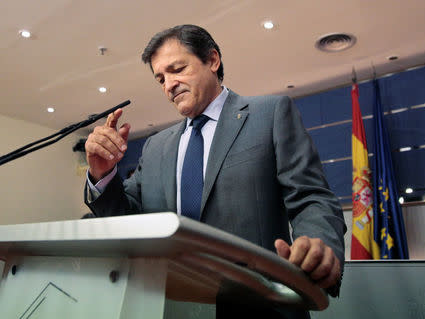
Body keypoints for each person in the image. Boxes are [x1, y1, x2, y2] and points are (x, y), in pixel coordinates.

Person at [84, 24, 346, 319]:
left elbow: (311, 197)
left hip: (261, 307)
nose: (169, 85)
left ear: (212, 60)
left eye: (177, 69)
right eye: (161, 78)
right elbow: (126, 220)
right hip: (171, 307)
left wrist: (319, 244)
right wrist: (103, 176)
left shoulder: (270, 114)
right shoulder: (155, 147)